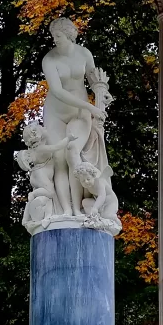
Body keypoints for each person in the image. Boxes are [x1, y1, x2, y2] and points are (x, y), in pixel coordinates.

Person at [41, 17, 105, 216]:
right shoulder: (49, 59)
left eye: (58, 36)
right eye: (53, 36)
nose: (55, 40)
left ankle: (78, 209)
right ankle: (66, 210)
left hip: (79, 113)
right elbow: (58, 92)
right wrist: (90, 107)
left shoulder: (84, 54)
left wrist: (102, 91)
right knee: (59, 159)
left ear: (69, 35)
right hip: (55, 112)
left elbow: (94, 80)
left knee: (72, 151)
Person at [16, 121, 71, 228]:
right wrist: (68, 138)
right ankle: (46, 214)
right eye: (42, 128)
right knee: (50, 193)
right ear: (37, 136)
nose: (45, 128)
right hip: (41, 175)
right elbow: (57, 147)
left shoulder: (33, 150)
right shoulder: (41, 148)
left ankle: (26, 219)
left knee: (45, 198)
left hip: (35, 175)